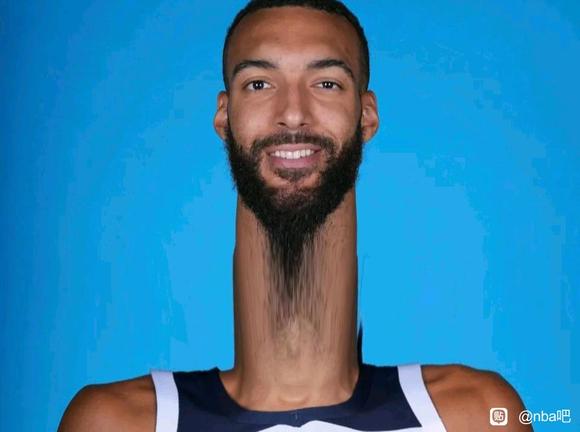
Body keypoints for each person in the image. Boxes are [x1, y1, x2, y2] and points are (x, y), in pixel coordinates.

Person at [58, 1, 531, 431]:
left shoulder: (478, 416)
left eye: (326, 83)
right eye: (259, 84)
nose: (292, 113)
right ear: (224, 117)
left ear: (366, 115)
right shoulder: (116, 423)